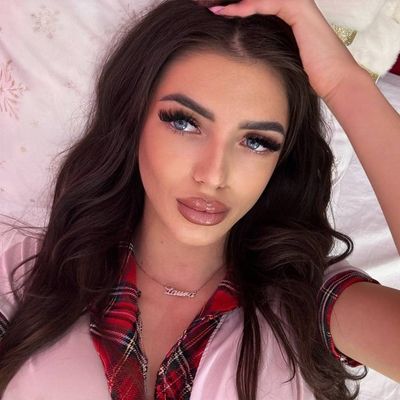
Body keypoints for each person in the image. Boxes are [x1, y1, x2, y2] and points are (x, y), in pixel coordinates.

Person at [0, 0, 399, 399]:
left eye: (256, 142)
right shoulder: (27, 269)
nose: (213, 175)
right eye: (184, 122)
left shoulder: (308, 305)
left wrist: (342, 82)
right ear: (133, 118)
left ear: (282, 161)